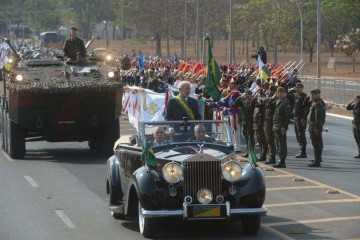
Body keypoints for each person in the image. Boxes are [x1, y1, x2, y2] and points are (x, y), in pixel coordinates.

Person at [231, 89, 257, 157]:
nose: (247, 96)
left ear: (251, 95)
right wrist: (239, 97)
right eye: (246, 94)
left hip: (251, 122)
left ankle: (252, 152)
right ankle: (248, 151)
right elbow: (234, 104)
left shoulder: (254, 101)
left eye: (248, 94)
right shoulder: (244, 102)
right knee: (246, 137)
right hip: (245, 122)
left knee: (251, 138)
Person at [272, 87, 292, 168]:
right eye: (278, 92)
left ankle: (282, 161)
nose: (279, 94)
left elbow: (287, 117)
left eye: (281, 92)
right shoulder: (278, 102)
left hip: (281, 127)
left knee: (281, 143)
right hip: (276, 126)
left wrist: (284, 127)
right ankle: (280, 159)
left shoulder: (285, 103)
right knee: (278, 143)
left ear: (285, 93)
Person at [307, 89, 326, 167]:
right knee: (317, 143)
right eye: (310, 94)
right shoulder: (314, 102)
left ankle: (317, 161)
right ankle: (317, 159)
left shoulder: (317, 104)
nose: (311, 96)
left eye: (313, 94)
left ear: (318, 95)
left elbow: (318, 117)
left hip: (315, 126)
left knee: (316, 144)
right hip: (313, 126)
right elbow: (305, 103)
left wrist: (317, 128)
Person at [288, 83, 308, 158]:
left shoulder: (304, 96)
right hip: (296, 118)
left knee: (301, 134)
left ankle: (303, 151)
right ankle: (301, 149)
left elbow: (307, 108)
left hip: (301, 118)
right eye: (296, 88)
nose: (298, 89)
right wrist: (289, 90)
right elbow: (287, 96)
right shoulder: (295, 95)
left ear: (302, 88)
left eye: (299, 87)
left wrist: (304, 118)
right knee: (297, 134)